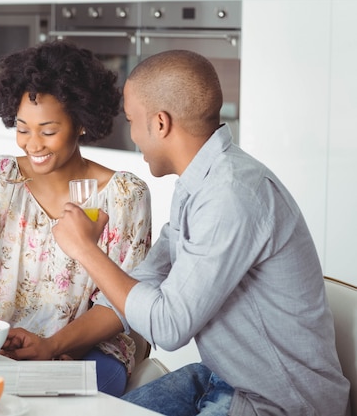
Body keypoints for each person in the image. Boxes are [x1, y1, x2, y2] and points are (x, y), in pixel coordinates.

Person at [49, 49, 351, 415]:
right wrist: (51, 346)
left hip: (280, 404)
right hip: (224, 377)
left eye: (131, 120)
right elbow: (148, 277)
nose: (132, 136)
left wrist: (85, 250)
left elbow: (168, 325)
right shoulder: (197, 184)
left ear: (160, 124)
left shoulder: (231, 194)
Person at [0, 40, 152, 397]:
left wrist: (52, 346)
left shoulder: (124, 195)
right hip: (6, 345)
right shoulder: (0, 176)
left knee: (45, 399)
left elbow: (123, 304)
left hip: (90, 352)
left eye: (49, 131)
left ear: (81, 123)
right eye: (23, 129)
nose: (32, 144)